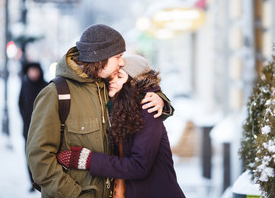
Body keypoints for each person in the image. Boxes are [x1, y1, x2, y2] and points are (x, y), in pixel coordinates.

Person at [26, 24, 173, 198]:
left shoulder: (107, 87)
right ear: (100, 57)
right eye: (117, 56)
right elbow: (40, 160)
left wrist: (160, 99)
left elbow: (138, 88)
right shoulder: (56, 93)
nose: (122, 62)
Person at [57, 54, 185, 198]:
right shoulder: (118, 108)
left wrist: (88, 160)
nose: (112, 81)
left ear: (133, 82)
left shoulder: (147, 108)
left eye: (119, 77)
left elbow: (139, 166)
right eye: (111, 76)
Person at [18, 62, 48, 192]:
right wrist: (25, 117)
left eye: (36, 71)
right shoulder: (25, 85)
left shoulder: (46, 86)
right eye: (31, 71)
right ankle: (32, 181)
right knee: (29, 156)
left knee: (44, 156)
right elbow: (20, 103)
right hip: (28, 128)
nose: (33, 73)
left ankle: (43, 181)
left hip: (44, 129)